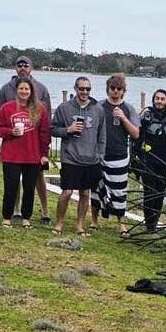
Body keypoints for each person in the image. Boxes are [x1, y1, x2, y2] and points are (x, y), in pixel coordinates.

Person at [0, 56, 53, 223]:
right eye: (19, 65)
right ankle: (13, 212)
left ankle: (42, 212)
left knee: (35, 183)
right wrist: (9, 131)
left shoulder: (41, 92)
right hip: (12, 152)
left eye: (25, 65)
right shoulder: (5, 93)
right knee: (12, 185)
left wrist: (44, 152)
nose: (22, 67)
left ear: (31, 67)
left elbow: (46, 126)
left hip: (33, 152)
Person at [50, 76, 105, 236]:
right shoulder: (64, 108)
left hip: (91, 159)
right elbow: (52, 129)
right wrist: (68, 130)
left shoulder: (98, 109)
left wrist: (100, 155)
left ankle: (79, 225)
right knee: (66, 192)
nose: (85, 92)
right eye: (81, 88)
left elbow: (102, 135)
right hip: (70, 157)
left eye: (88, 89)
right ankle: (59, 223)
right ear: (75, 89)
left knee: (85, 193)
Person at [90, 74, 140, 237]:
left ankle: (121, 223)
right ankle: (94, 220)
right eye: (113, 88)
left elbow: (136, 134)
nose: (115, 91)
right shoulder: (99, 106)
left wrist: (124, 118)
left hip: (119, 156)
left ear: (123, 91)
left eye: (119, 89)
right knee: (97, 188)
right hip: (100, 154)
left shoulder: (128, 108)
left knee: (119, 191)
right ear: (108, 89)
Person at [133, 89, 166, 231]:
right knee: (149, 191)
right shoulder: (146, 115)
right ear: (153, 100)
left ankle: (155, 221)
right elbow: (136, 135)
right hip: (148, 158)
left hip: (164, 158)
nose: (159, 101)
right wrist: (135, 157)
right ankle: (149, 224)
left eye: (162, 99)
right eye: (157, 98)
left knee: (160, 192)